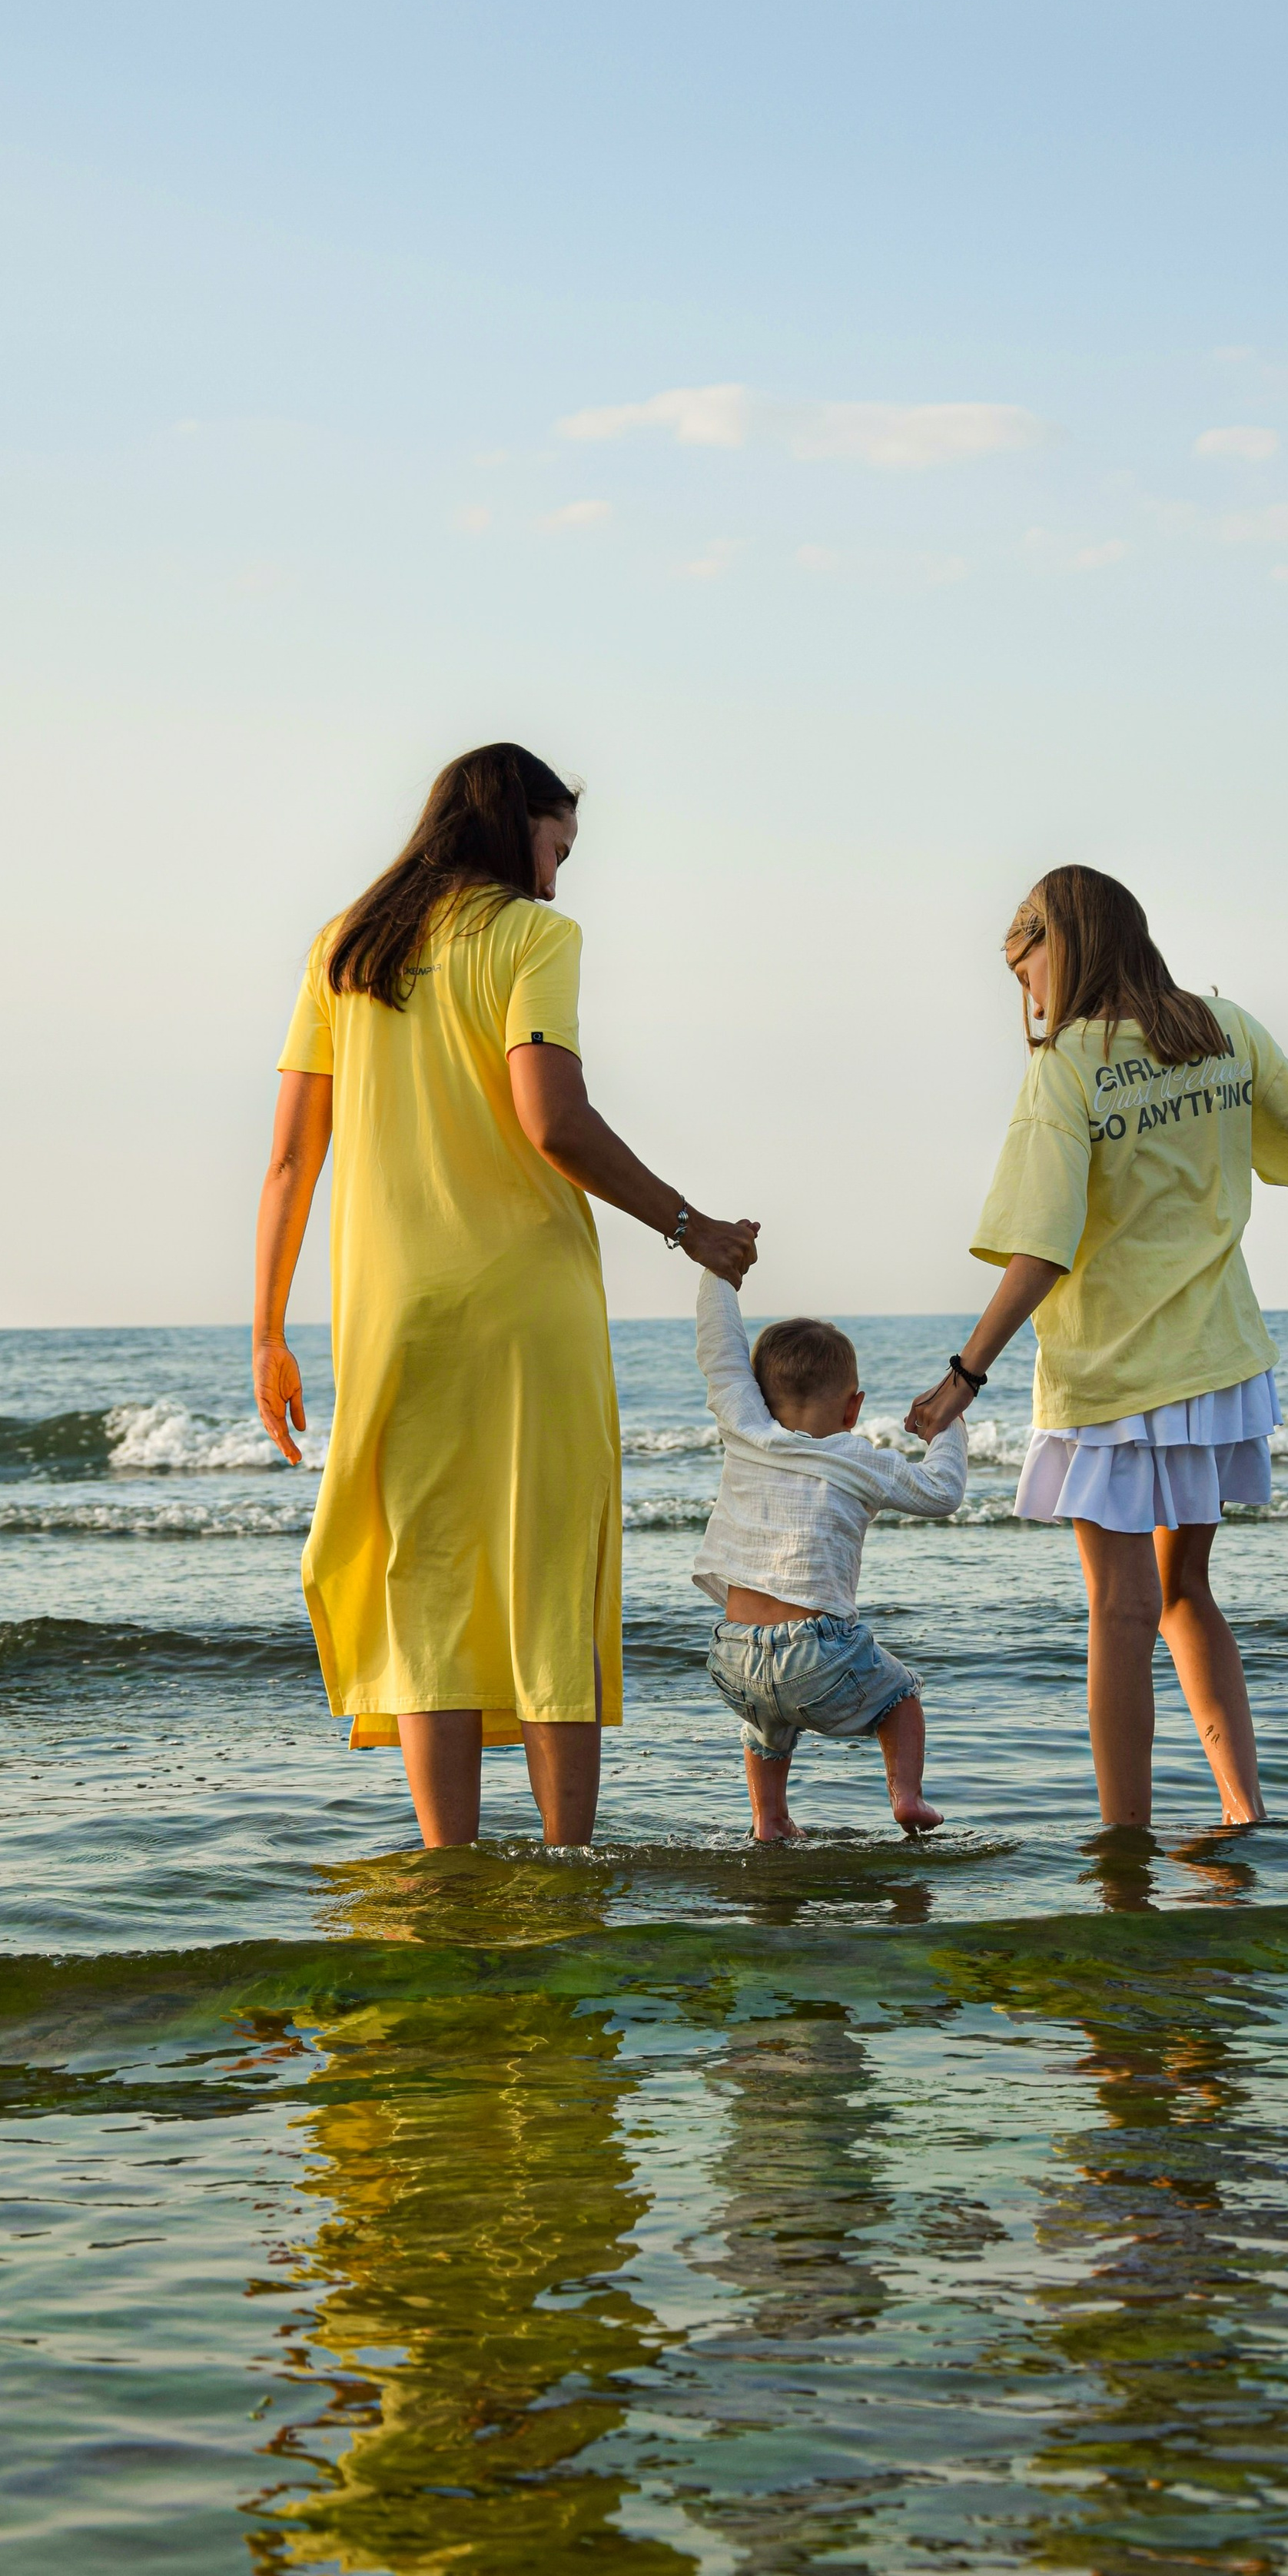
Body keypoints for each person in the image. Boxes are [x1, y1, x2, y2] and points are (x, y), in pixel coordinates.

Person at [251, 741, 759, 1850]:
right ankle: (567, 1867)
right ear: (510, 824)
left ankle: (449, 1874)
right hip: (529, 1307)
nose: (559, 876)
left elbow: (291, 1161)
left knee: (428, 1580)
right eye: (557, 845)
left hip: (394, 1317)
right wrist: (690, 1226)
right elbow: (553, 1120)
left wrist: (266, 1335)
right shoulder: (535, 936)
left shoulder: (343, 951)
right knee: (548, 1574)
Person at [908, 864, 1288, 1832]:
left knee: (1120, 1612)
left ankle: (1124, 1853)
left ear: (1067, 945)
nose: (1028, 995)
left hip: (1113, 1374)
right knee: (1183, 1595)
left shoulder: (1066, 1069)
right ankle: (1240, 1810)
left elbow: (1040, 1248)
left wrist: (963, 1374)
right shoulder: (1224, 1030)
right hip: (1217, 1368)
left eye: (1027, 969)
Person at [694, 1270, 968, 1841]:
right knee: (901, 1695)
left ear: (757, 1396)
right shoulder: (859, 1459)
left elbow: (719, 1349)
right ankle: (908, 1798)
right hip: (816, 1656)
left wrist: (718, 1270)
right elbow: (942, 1493)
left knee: (764, 1722)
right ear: (854, 1408)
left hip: (731, 1658)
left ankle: (769, 1820)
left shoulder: (744, 1427)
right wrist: (949, 1426)